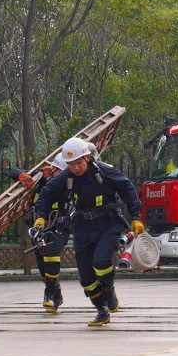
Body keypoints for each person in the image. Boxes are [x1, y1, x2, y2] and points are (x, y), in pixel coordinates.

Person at [34, 137, 143, 327]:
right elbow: (46, 193)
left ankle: (109, 290)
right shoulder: (66, 177)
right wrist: (41, 217)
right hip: (83, 226)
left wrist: (136, 217)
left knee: (101, 262)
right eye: (71, 164)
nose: (75, 168)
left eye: (79, 162)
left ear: (87, 157)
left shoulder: (104, 171)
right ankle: (101, 310)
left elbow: (128, 189)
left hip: (108, 223)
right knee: (86, 279)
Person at [9, 155, 70, 313]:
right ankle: (56, 294)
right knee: (42, 265)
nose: (60, 175)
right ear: (52, 169)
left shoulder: (69, 184)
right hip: (39, 226)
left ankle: (48, 295)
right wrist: (22, 175)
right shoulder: (40, 178)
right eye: (58, 171)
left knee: (51, 254)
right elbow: (12, 171)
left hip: (59, 225)